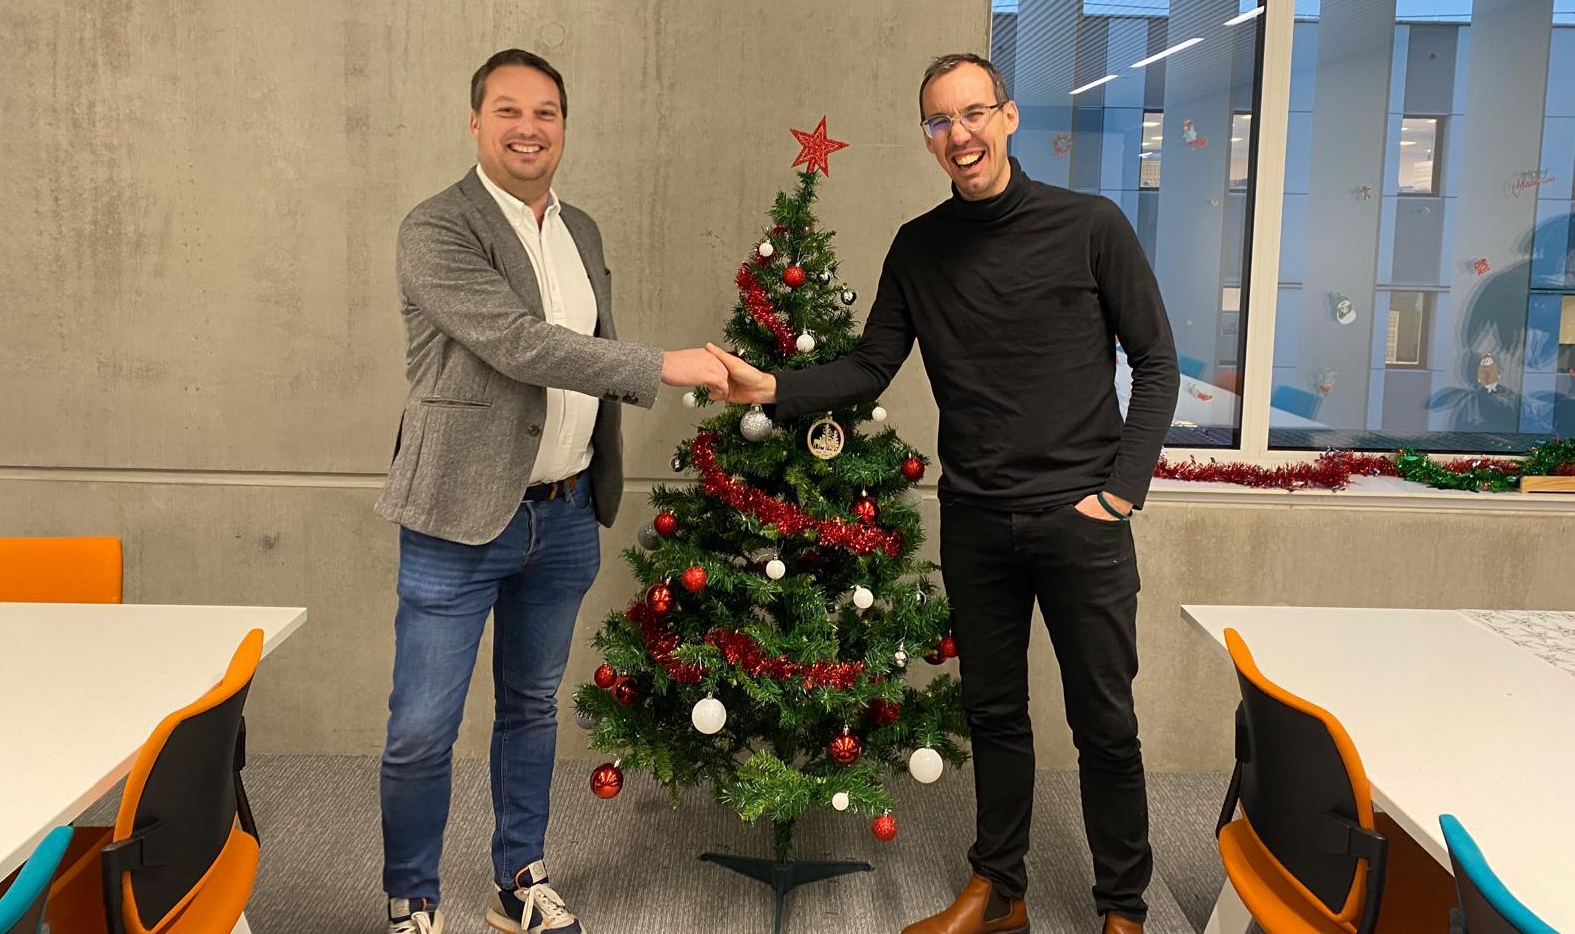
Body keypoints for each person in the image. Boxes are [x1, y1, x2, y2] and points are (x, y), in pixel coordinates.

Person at [706, 52, 1178, 934]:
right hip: (976, 521)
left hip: (1082, 522)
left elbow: (1156, 361)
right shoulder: (919, 246)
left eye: (972, 114)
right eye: (937, 122)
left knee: (1104, 722)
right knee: (995, 715)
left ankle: (1124, 910)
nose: (957, 135)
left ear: (1007, 117)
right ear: (928, 139)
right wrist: (769, 388)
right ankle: (1000, 891)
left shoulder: (1091, 226)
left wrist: (1120, 494)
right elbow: (869, 364)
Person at [375, 48, 727, 934]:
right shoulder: (437, 229)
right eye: (508, 111)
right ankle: (412, 900)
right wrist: (666, 365)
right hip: (460, 517)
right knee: (422, 728)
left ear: (563, 126)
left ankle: (518, 879)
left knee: (531, 707)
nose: (528, 128)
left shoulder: (584, 231)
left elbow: (576, 355)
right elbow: (522, 344)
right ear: (475, 122)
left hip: (565, 514)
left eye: (546, 113)